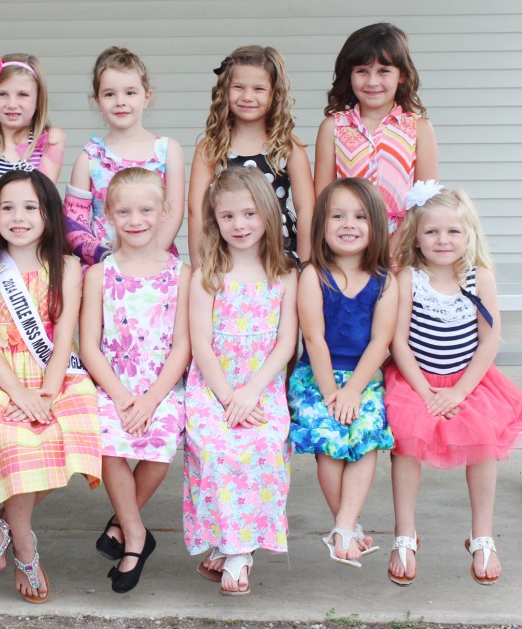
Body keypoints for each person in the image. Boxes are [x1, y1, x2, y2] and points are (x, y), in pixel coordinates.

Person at [0, 170, 101, 604]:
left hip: (56, 375)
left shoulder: (69, 268)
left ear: (50, 215)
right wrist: (21, 395)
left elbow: (65, 334)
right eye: (7, 207)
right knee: (18, 444)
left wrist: (48, 395)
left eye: (30, 207)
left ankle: (4, 523)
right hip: (0, 377)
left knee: (77, 436)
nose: (18, 217)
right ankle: (25, 548)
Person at [384, 183, 522, 587]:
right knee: (406, 439)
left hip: (468, 382)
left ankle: (482, 535)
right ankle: (405, 534)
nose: (443, 240)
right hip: (416, 381)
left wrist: (460, 391)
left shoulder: (481, 278)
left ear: (469, 235)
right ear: (416, 235)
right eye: (432, 232)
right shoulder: (409, 278)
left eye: (453, 231)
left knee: (481, 435)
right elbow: (398, 341)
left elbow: (490, 339)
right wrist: (425, 393)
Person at [183, 166, 297, 596]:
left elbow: (286, 342)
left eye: (249, 214)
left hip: (261, 385)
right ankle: (235, 551)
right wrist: (228, 395)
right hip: (214, 386)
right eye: (228, 216)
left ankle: (237, 552)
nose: (240, 225)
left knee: (264, 445)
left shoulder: (285, 273)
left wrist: (251, 393)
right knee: (215, 448)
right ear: (215, 220)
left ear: (267, 215)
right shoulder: (207, 274)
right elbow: (202, 345)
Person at [78, 168, 190, 593]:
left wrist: (150, 399)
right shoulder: (99, 275)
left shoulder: (181, 274)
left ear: (164, 213)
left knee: (160, 444)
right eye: (124, 211)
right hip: (114, 384)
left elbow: (183, 345)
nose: (135, 219)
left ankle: (119, 525)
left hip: (161, 385)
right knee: (107, 440)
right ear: (107, 214)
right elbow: (89, 345)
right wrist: (124, 398)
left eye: (146, 209)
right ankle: (135, 533)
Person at [288, 179, 397, 567]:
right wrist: (333, 393)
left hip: (363, 377)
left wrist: (352, 391)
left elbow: (380, 343)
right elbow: (314, 339)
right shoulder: (312, 275)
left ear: (377, 226)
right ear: (321, 225)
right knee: (328, 437)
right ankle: (346, 529)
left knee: (365, 436)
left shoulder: (385, 281)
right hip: (316, 377)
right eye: (337, 216)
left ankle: (343, 526)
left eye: (360, 216)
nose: (348, 224)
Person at [313, 23, 438, 254]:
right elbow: (323, 200)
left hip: (402, 246)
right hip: (346, 242)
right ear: (349, 75)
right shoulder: (333, 128)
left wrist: (393, 250)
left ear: (401, 75)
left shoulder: (419, 128)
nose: (372, 82)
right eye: (362, 71)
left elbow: (425, 200)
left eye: (383, 71)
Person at [187, 46, 313, 265]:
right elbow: (196, 212)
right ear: (225, 90)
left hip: (279, 254)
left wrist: (306, 265)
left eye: (259, 89)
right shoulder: (211, 147)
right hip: (226, 255)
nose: (247, 96)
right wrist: (200, 267)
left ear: (274, 94)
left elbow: (307, 210)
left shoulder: (288, 146)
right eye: (238, 87)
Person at [66, 46, 185, 265]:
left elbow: (174, 212)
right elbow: (75, 223)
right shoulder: (89, 158)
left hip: (155, 264)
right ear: (97, 101)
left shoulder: (168, 151)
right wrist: (105, 258)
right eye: (110, 94)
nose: (120, 101)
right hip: (102, 265)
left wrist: (146, 258)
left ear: (146, 97)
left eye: (130, 92)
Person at [0, 53, 66, 262]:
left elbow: (39, 199)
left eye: (23, 95)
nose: (12, 104)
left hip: (34, 243)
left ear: (39, 99)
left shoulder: (51, 139)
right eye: (2, 94)